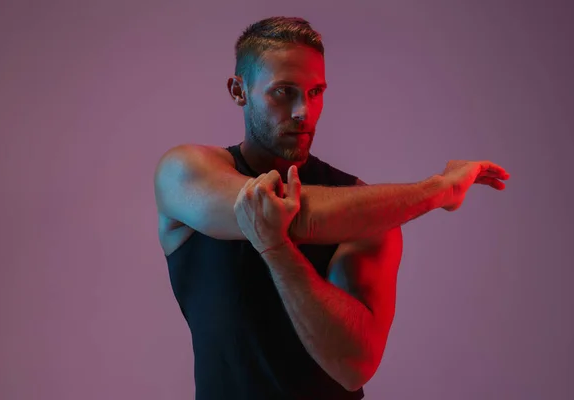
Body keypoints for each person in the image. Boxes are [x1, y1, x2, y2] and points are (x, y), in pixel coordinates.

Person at [153, 16, 509, 400]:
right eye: (283, 92)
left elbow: (353, 366)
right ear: (239, 90)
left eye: (315, 91)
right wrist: (439, 190)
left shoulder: (364, 203)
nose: (303, 111)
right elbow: (296, 214)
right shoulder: (186, 171)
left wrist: (277, 252)